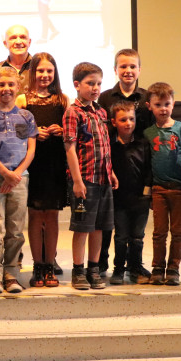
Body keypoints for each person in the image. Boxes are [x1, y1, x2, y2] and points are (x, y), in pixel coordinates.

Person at [0, 66, 37, 294]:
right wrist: (4, 173)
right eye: (1, 84)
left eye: (11, 85)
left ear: (18, 87)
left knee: (15, 230)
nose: (6, 89)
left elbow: (30, 149)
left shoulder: (26, 116)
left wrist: (16, 174)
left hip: (20, 178)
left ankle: (12, 274)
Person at [63, 62, 118, 290]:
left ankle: (93, 269)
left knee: (99, 227)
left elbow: (104, 145)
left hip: (103, 178)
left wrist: (111, 171)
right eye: (90, 83)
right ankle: (78, 271)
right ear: (77, 85)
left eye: (98, 84)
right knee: (82, 227)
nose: (95, 88)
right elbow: (70, 147)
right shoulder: (73, 112)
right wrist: (77, 180)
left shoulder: (101, 112)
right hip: (84, 180)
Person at [97, 48, 152, 275]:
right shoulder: (106, 97)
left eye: (132, 66)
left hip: (138, 163)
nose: (128, 71)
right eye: (123, 66)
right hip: (113, 161)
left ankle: (134, 265)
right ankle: (102, 264)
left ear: (139, 69)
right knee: (109, 222)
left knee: (134, 226)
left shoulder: (147, 98)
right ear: (115, 70)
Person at [19, 53, 67, 288]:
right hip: (33, 163)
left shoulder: (62, 100)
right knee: (36, 215)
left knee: (53, 215)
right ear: (33, 72)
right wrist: (34, 131)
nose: (45, 75)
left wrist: (62, 130)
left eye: (49, 71)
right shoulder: (22, 99)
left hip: (55, 163)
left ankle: (50, 263)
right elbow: (16, 133)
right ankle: (37, 265)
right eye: (40, 71)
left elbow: (72, 133)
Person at [143, 82, 181, 286]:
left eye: (167, 104)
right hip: (158, 189)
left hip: (178, 188)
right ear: (150, 106)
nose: (163, 108)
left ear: (173, 104)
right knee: (159, 232)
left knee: (177, 231)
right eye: (158, 104)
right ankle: (158, 267)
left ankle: (173, 268)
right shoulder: (148, 133)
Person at [108, 101, 153, 285]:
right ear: (114, 122)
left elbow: (149, 170)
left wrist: (147, 194)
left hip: (140, 199)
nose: (128, 123)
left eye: (131, 119)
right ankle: (118, 269)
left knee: (137, 236)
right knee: (120, 236)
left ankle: (135, 267)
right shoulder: (110, 145)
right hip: (119, 199)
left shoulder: (143, 143)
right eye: (123, 119)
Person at [0, 25, 33, 94]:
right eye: (13, 38)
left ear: (29, 42)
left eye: (23, 37)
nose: (18, 42)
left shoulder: (41, 69)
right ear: (5, 43)